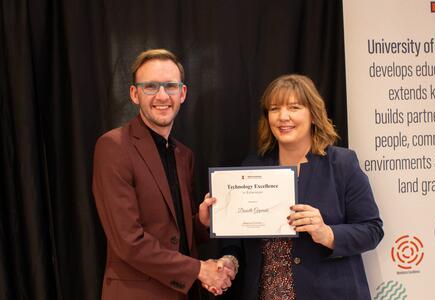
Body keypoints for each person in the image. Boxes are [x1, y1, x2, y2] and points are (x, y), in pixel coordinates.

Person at [214, 74, 384, 299]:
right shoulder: (253, 165)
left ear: (313, 114)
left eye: (294, 107)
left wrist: (327, 233)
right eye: (274, 109)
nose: (283, 116)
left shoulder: (341, 164)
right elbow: (236, 234)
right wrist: (229, 259)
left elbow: (372, 230)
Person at [92, 49, 234, 300]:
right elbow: (128, 241)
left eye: (170, 86)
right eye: (150, 87)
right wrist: (200, 270)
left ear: (182, 93)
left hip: (183, 292)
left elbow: (174, 234)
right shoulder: (113, 146)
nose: (162, 96)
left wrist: (200, 222)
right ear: (135, 94)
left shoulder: (183, 155)